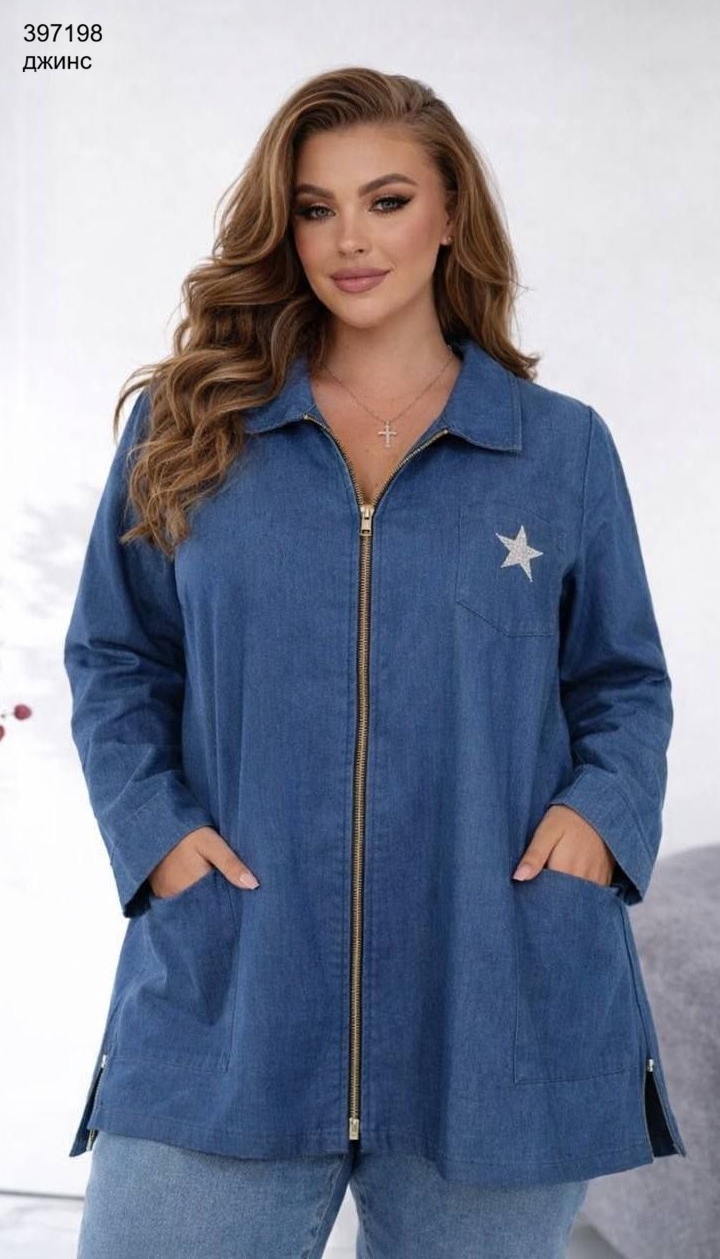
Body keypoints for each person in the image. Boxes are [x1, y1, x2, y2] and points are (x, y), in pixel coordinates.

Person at [65, 66, 686, 1258]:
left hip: (495, 995)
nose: (349, 238)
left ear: (450, 213)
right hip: (233, 985)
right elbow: (115, 654)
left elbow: (623, 680)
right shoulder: (190, 429)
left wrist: (599, 820)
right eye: (316, 208)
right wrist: (157, 834)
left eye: (386, 200)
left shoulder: (556, 449)